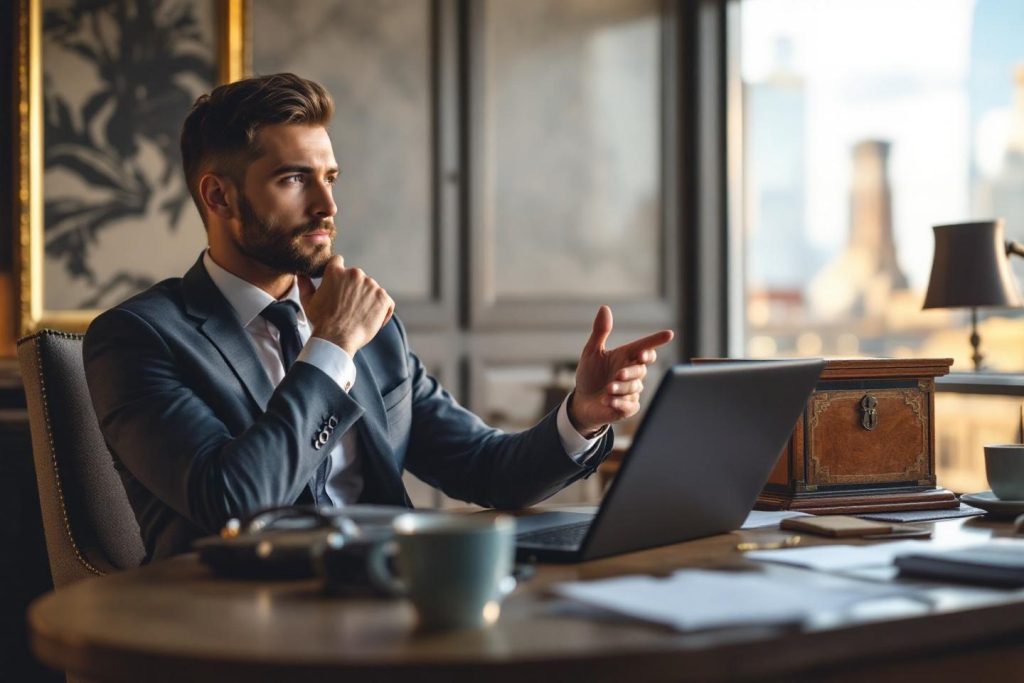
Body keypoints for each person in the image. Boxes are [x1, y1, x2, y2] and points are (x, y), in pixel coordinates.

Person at [84, 73, 674, 561]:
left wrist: (581, 416)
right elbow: (233, 502)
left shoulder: (373, 328)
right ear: (219, 196)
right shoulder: (138, 338)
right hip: (238, 627)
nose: (327, 206)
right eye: (294, 179)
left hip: (395, 603)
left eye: (329, 178)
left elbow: (485, 469)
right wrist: (332, 346)